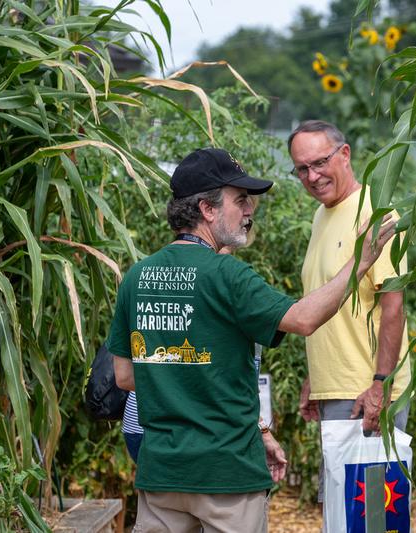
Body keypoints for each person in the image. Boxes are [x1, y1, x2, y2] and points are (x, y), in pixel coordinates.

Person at [108, 147, 397, 532]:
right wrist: (361, 259)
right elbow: (304, 319)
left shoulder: (137, 277)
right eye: (240, 200)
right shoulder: (228, 275)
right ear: (207, 210)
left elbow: (125, 376)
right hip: (227, 474)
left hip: (162, 474)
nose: (250, 210)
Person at [288, 120, 412, 504]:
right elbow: (329, 305)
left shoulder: (375, 214)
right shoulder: (321, 216)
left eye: (320, 162)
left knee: (372, 516)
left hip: (365, 393)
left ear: (345, 154)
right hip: (336, 389)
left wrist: (381, 384)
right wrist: (316, 379)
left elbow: (394, 306)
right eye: (302, 169)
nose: (312, 176)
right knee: (343, 515)